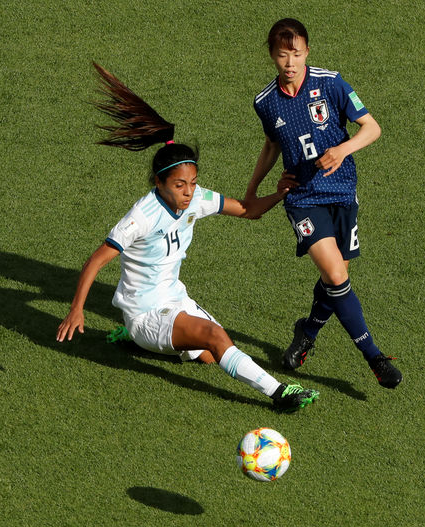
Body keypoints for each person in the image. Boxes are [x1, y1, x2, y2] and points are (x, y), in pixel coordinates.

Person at [56, 62, 319, 412]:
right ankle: (279, 394)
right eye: (179, 185)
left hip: (175, 300)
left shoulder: (196, 198)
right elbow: (96, 260)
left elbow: (247, 210)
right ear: (159, 183)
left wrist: (281, 192)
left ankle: (142, 345)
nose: (188, 192)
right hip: (146, 314)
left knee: (213, 355)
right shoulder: (142, 216)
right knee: (215, 337)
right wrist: (76, 309)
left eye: (192, 183)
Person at [244, 18, 402, 388]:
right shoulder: (265, 102)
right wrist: (252, 190)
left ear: (307, 52)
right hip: (303, 199)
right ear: (271, 56)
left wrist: (341, 149)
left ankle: (307, 331)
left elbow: (372, 128)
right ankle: (375, 358)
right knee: (335, 275)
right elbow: (271, 145)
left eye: (296, 54)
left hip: (344, 191)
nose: (289, 63)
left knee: (337, 280)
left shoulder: (330, 83)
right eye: (282, 55)